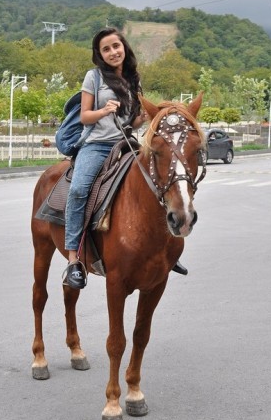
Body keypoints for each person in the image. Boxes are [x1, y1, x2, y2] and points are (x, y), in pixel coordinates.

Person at [63, 27, 188, 289]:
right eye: (105, 49)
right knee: (78, 190)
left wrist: (140, 119)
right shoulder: (94, 77)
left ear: (124, 47)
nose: (112, 52)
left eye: (115, 46)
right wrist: (103, 110)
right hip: (96, 145)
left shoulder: (134, 79)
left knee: (158, 182)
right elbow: (85, 116)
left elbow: (130, 121)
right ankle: (74, 259)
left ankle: (165, 252)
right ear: (99, 55)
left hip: (127, 143)